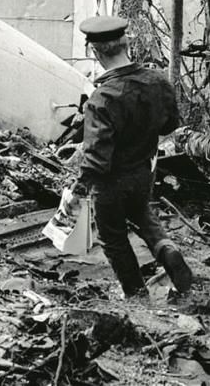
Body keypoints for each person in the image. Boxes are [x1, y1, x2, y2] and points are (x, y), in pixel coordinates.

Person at [72, 15, 193, 298]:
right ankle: (168, 250)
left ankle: (136, 295)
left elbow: (97, 158)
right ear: (127, 44)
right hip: (143, 172)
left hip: (111, 182)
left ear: (96, 51)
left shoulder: (101, 99)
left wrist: (79, 187)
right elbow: (170, 125)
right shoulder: (158, 81)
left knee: (113, 238)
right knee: (142, 215)